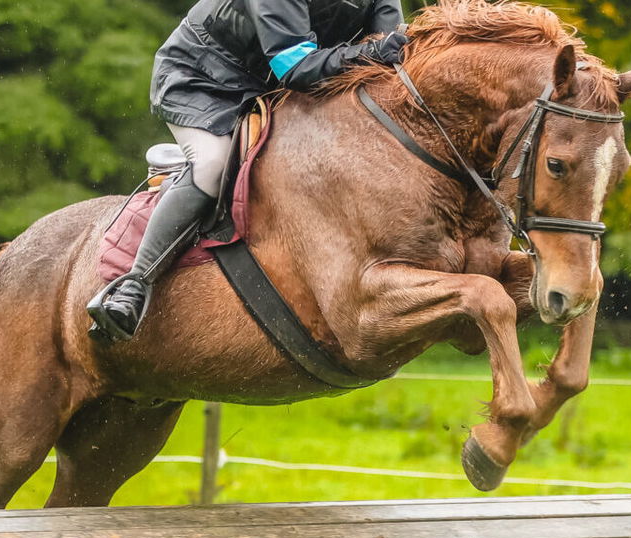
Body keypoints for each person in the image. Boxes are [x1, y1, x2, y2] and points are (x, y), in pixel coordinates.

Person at [87, 0, 408, 342]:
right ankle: (133, 285)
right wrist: (378, 50)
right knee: (213, 164)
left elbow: (390, 49)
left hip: (272, 85)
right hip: (203, 77)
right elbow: (296, 66)